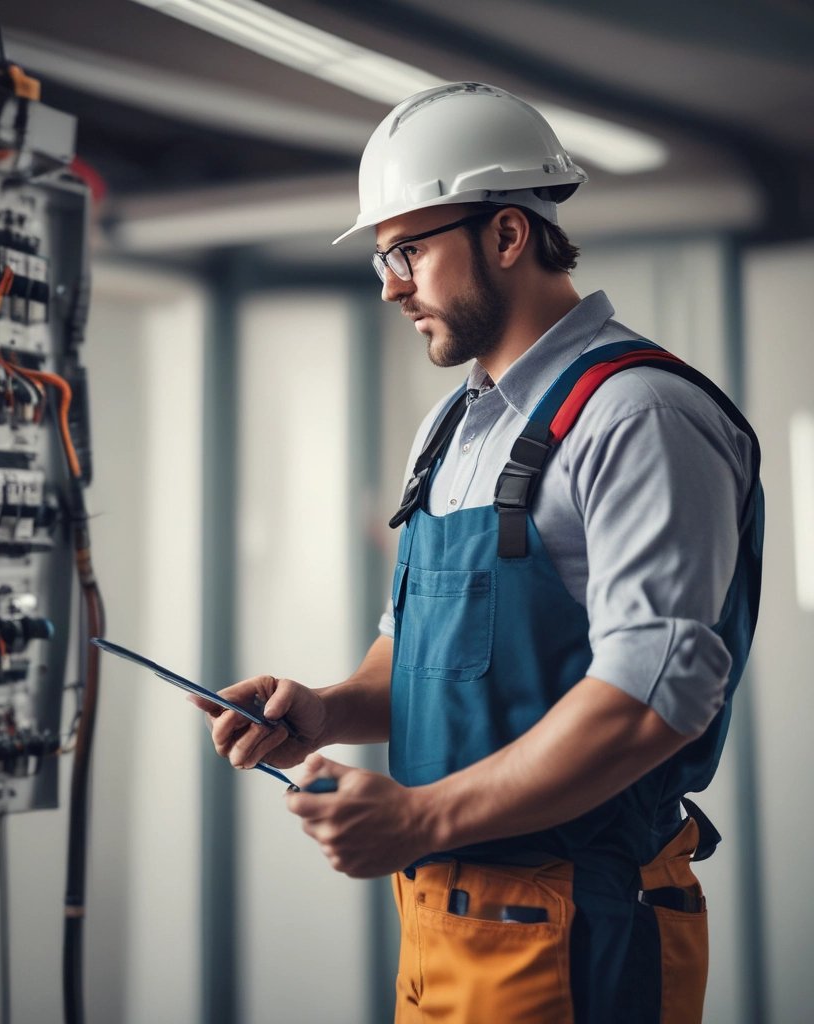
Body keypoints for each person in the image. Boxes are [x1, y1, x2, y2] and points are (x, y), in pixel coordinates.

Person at [193, 82, 763, 1024]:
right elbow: (425, 653)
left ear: (507, 236)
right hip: (443, 925)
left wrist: (419, 816)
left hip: (584, 927)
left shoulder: (639, 416)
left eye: (410, 249)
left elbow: (654, 698)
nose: (388, 285)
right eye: (384, 257)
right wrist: (328, 709)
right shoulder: (452, 428)